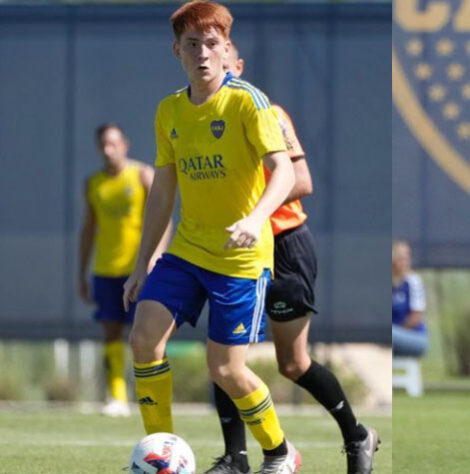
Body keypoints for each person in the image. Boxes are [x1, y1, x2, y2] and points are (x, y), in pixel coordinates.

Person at [122, 3, 300, 473]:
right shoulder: (170, 110)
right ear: (177, 51)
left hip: (240, 259)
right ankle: (160, 453)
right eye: (192, 45)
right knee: (143, 338)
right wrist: (143, 264)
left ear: (227, 51)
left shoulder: (248, 101)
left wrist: (255, 218)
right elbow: (163, 190)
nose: (203, 54)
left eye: (212, 44)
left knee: (224, 369)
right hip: (187, 251)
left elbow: (283, 171)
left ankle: (281, 453)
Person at [203, 42, 379, 474]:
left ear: (238, 66)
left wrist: (252, 212)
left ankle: (357, 436)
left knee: (292, 363)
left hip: (283, 245)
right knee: (226, 357)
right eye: (202, 55)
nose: (212, 65)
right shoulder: (200, 120)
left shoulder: (269, 113)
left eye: (223, 59)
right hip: (237, 249)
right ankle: (236, 458)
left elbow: (301, 180)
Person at [78, 123, 168, 417]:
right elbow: (89, 229)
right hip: (105, 270)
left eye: (113, 143)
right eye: (103, 144)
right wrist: (81, 272)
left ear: (125, 144)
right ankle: (117, 398)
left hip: (139, 270)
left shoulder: (142, 175)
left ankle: (151, 398)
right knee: (110, 333)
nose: (108, 150)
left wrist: (155, 257)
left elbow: (164, 218)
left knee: (145, 335)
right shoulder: (94, 184)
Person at [392, 241, 427, 357]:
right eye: (400, 259)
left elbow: (416, 317)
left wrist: (399, 333)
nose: (404, 263)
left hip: (414, 337)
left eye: (406, 259)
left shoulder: (413, 282)